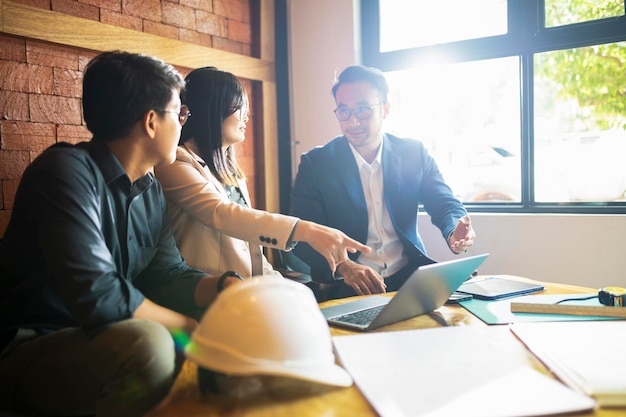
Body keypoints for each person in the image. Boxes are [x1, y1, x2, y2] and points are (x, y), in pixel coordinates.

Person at [0, 51, 243, 417]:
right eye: (180, 115)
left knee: (224, 318)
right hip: (33, 345)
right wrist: (187, 326)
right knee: (150, 343)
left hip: (100, 339)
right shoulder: (63, 173)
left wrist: (226, 287)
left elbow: (167, 275)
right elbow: (98, 295)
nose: (182, 126)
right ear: (150, 122)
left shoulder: (150, 189)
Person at [154, 67, 369, 279]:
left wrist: (278, 284)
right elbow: (221, 213)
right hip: (206, 293)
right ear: (212, 109)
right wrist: (307, 230)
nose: (246, 116)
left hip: (246, 291)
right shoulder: (176, 163)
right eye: (239, 107)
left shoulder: (230, 171)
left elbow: (251, 251)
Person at [290, 65, 476, 299]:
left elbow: (443, 202)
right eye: (344, 111)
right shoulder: (316, 163)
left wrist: (454, 231)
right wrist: (343, 265)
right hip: (348, 284)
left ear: (385, 109)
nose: (353, 122)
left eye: (363, 110)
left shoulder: (413, 153)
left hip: (409, 278)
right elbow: (301, 237)